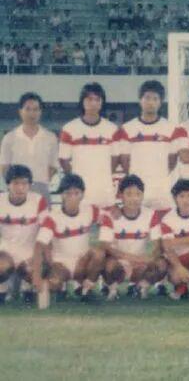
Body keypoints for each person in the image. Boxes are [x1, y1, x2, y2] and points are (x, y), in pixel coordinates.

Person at [31, 174, 110, 302]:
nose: (72, 197)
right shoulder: (53, 217)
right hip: (61, 264)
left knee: (99, 254)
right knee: (54, 284)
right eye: (68, 193)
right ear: (61, 195)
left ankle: (86, 290)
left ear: (82, 195)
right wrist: (36, 276)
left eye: (76, 193)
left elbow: (108, 218)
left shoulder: (90, 210)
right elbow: (39, 245)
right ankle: (53, 286)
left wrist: (104, 239)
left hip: (82, 262)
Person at [99, 175, 168, 301]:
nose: (134, 198)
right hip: (118, 263)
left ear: (142, 196)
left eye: (138, 194)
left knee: (162, 264)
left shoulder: (150, 214)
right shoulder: (111, 216)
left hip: (139, 264)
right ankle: (111, 287)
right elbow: (105, 246)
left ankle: (141, 287)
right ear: (121, 196)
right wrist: (131, 258)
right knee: (106, 263)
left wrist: (149, 258)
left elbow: (158, 244)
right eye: (129, 194)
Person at [58, 83, 120, 208]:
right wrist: (76, 180)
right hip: (81, 195)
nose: (93, 103)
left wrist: (102, 175)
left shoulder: (112, 129)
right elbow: (63, 159)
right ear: (82, 101)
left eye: (97, 99)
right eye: (89, 99)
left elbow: (115, 158)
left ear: (102, 102)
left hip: (104, 193)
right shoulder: (69, 129)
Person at [118, 80, 177, 209]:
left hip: (162, 190)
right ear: (140, 100)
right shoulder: (127, 128)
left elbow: (172, 161)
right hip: (137, 190)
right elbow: (124, 161)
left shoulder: (170, 128)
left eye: (155, 99)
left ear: (160, 102)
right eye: (147, 98)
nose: (151, 102)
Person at [0, 165, 49, 303]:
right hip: (5, 252)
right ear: (8, 184)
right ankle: (2, 288)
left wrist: (41, 258)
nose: (20, 187)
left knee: (33, 270)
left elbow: (46, 231)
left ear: (30, 185)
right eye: (16, 183)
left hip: (30, 254)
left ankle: (27, 288)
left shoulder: (38, 200)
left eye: (24, 183)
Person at [0, 92, 58, 200]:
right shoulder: (9, 138)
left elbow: (53, 166)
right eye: (27, 109)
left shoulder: (50, 137)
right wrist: (16, 185)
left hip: (41, 190)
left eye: (35, 109)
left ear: (40, 112)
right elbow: (4, 167)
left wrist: (40, 183)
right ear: (20, 111)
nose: (32, 113)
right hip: (16, 191)